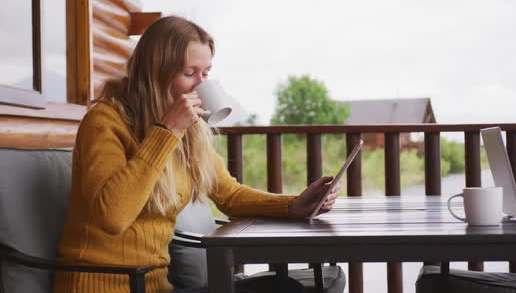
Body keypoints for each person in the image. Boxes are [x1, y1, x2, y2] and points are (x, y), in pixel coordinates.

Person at [53, 16, 339, 293]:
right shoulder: (105, 121)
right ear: (155, 73)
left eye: (206, 74)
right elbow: (113, 217)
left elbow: (230, 195)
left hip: (155, 287)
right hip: (103, 286)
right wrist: (166, 131)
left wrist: (293, 205)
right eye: (190, 73)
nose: (200, 84)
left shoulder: (188, 133)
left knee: (283, 287)